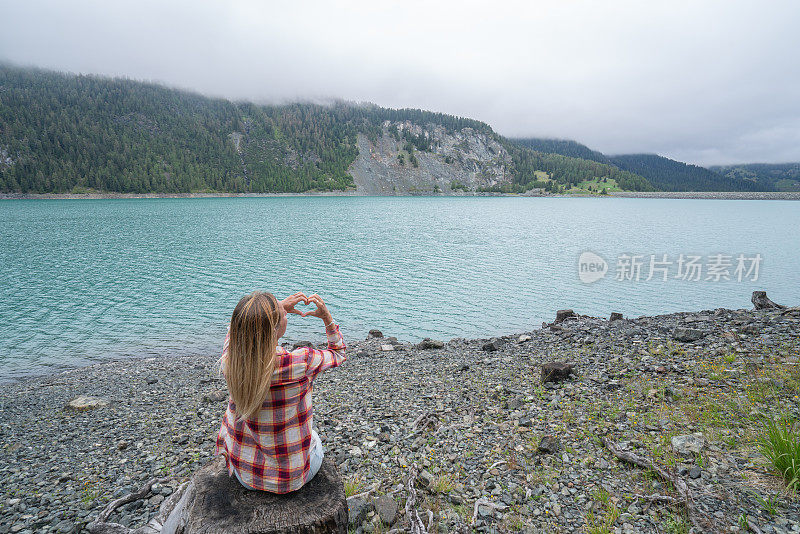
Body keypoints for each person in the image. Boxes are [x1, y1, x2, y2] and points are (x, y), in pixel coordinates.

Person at [214, 290, 346, 493]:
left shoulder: (230, 361)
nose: (285, 313)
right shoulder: (299, 362)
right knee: (315, 438)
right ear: (276, 328)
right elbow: (338, 352)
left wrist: (274, 311)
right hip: (290, 480)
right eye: (282, 314)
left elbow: (236, 330)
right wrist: (327, 318)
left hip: (245, 475)